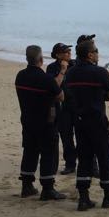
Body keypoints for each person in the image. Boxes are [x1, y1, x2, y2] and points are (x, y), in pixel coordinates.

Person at [64, 38, 109, 211]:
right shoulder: (100, 73)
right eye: (96, 51)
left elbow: (70, 93)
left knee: (84, 158)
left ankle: (83, 197)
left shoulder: (71, 72)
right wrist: (99, 93)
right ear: (90, 54)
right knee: (105, 157)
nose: (98, 54)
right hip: (97, 120)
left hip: (80, 120)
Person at [14, 45, 66, 201]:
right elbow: (60, 95)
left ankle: (27, 185)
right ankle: (48, 188)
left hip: (28, 119)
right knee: (48, 153)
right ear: (41, 60)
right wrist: (62, 72)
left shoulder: (20, 76)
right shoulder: (45, 79)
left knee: (29, 151)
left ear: (27, 59)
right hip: (45, 121)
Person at [45, 42, 76, 174]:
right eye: (65, 52)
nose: (69, 54)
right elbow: (54, 86)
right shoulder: (52, 68)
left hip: (76, 104)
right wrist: (63, 70)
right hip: (62, 106)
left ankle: (92, 165)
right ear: (57, 55)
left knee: (83, 135)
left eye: (69, 51)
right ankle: (70, 164)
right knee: (66, 136)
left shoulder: (75, 64)